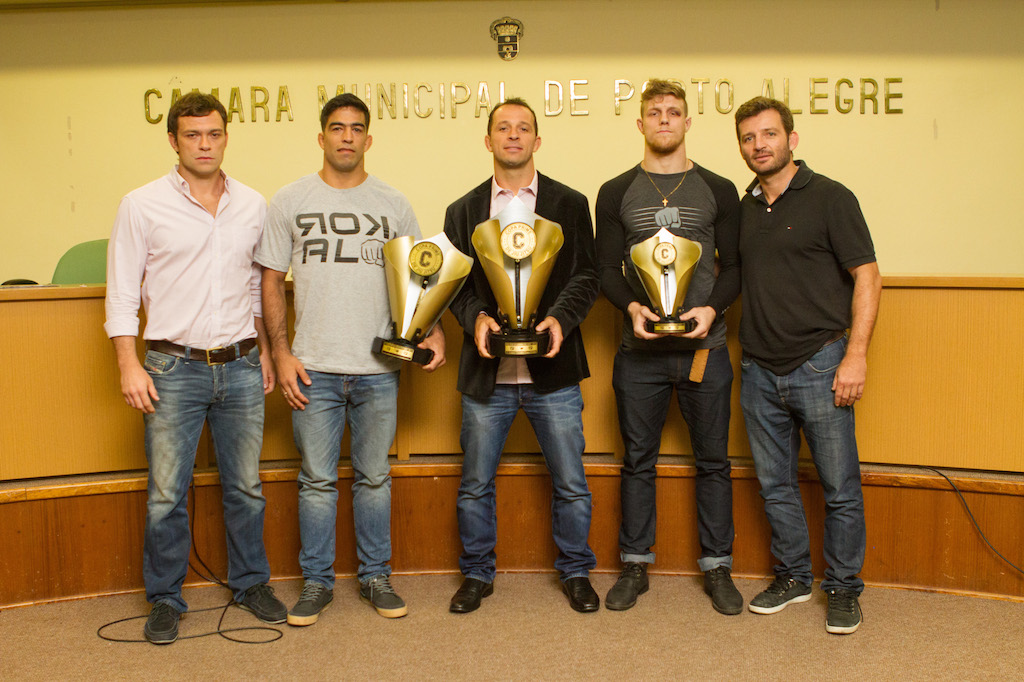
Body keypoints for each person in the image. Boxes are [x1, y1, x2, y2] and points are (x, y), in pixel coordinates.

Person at [257, 93, 444, 626]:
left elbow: (421, 278)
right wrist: (282, 352)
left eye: (356, 129)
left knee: (374, 477)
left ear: (368, 139)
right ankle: (316, 583)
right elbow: (271, 281)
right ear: (321, 138)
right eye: (336, 128)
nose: (346, 137)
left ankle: (375, 577)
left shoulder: (393, 203)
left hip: (379, 372)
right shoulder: (289, 200)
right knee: (315, 480)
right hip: (311, 368)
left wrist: (433, 333)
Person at [105, 92, 285, 644]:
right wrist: (129, 366)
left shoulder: (253, 204)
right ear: (173, 141)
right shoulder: (141, 204)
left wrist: (266, 353)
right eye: (192, 135)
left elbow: (256, 290)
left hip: (240, 367)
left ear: (226, 136)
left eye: (213, 134)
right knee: (167, 491)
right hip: (170, 367)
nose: (204, 144)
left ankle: (251, 582)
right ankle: (164, 597)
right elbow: (120, 293)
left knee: (246, 487)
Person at [443, 98, 601, 614]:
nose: (514, 135)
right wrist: (476, 320)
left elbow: (586, 275)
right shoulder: (462, 211)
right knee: (474, 484)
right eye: (503, 128)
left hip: (553, 372)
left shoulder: (570, 203)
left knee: (572, 483)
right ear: (487, 141)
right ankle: (476, 575)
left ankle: (577, 571)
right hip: (487, 373)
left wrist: (560, 316)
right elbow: (453, 286)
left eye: (524, 128)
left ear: (537, 140)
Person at [733, 96, 881, 634]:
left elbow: (867, 275)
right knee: (775, 485)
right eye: (749, 138)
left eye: (769, 134)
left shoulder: (831, 197)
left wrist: (856, 355)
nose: (759, 145)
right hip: (757, 372)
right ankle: (794, 577)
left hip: (822, 364)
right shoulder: (744, 208)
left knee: (840, 487)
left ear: (792, 139)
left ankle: (843, 588)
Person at [595, 78, 742, 614]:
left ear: (686, 123)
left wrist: (712, 309)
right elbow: (607, 270)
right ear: (640, 124)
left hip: (707, 349)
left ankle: (718, 568)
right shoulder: (615, 192)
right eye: (654, 112)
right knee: (637, 460)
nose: (663, 120)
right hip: (640, 356)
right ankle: (635, 565)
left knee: (714, 461)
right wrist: (631, 309)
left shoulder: (719, 189)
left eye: (673, 112)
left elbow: (737, 267)